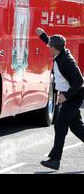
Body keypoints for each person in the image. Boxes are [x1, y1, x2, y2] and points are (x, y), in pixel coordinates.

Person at [36, 28, 84, 171]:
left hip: (73, 97)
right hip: (70, 97)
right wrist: (43, 36)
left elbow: (79, 81)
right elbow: (52, 42)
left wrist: (65, 96)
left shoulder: (66, 61)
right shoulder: (60, 51)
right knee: (76, 127)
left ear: (53, 49)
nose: (48, 47)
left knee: (59, 125)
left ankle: (55, 160)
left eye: (49, 46)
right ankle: (55, 159)